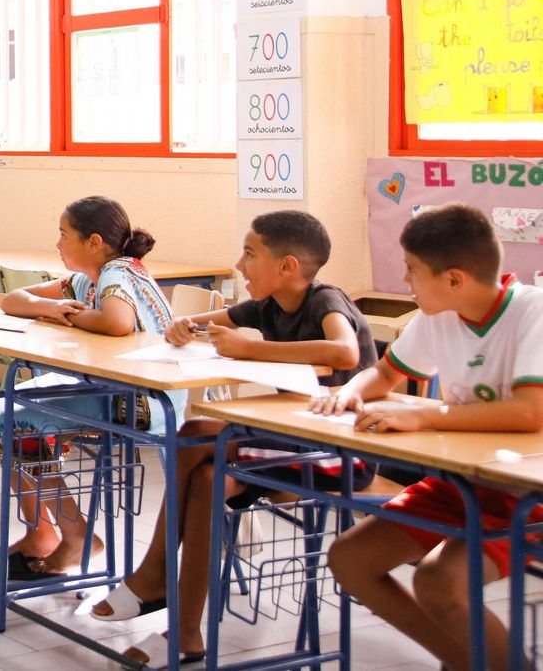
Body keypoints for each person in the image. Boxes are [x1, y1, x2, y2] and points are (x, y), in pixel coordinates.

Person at [91, 210, 377, 668]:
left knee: (196, 435)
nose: (240, 265)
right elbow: (205, 319)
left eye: (249, 254)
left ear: (287, 266)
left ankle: (153, 574)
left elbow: (346, 351)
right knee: (206, 480)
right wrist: (182, 326)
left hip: (340, 450)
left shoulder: (324, 299)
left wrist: (253, 348)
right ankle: (185, 633)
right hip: (291, 439)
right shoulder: (267, 306)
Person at [315, 204, 543, 671]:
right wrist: (348, 393)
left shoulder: (532, 311)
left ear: (455, 279)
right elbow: (381, 374)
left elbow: (528, 412)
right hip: (464, 483)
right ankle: (465, 661)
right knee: (351, 560)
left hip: (527, 493)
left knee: (440, 582)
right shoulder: (439, 314)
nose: (407, 282)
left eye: (413, 271)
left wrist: (426, 416)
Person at [0, 196, 179, 582]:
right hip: (112, 387)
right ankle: (45, 533)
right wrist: (51, 309)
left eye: (63, 235)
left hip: (143, 398)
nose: (57, 244)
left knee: (11, 424)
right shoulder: (88, 277)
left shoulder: (118, 273)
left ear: (93, 242)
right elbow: (14, 299)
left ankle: (75, 536)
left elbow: (118, 322)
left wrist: (74, 317)